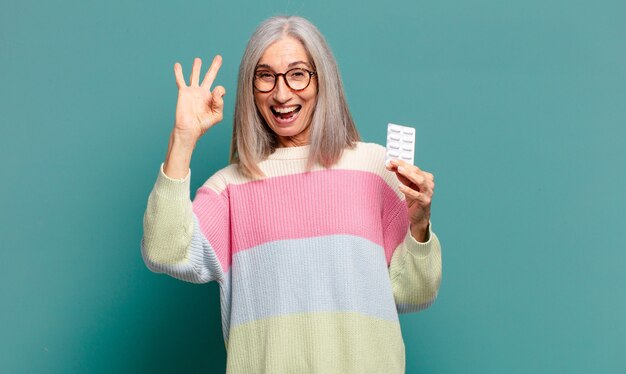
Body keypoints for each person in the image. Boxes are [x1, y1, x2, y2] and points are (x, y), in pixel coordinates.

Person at [141, 15, 442, 373]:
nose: (281, 94)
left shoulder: (374, 168)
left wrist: (419, 223)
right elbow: (162, 251)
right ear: (250, 88)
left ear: (322, 80)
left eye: (298, 73)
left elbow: (413, 293)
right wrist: (183, 138)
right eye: (265, 76)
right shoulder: (230, 188)